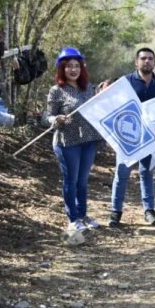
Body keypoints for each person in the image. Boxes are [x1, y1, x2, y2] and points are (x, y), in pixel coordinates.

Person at [107, 47, 155, 227]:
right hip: (128, 137)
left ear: (154, 62)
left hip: (151, 137)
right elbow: (113, 106)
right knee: (122, 173)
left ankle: (149, 211)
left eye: (150, 59)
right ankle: (115, 212)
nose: (147, 61)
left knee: (146, 172)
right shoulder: (125, 82)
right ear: (136, 62)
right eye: (143, 58)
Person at [46, 47, 103, 232]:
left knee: (83, 180)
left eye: (76, 66)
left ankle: (82, 214)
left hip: (88, 140)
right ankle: (73, 219)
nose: (73, 69)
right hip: (66, 142)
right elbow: (46, 116)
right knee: (71, 180)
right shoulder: (56, 91)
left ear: (82, 68)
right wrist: (55, 119)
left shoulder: (89, 88)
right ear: (62, 68)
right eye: (69, 66)